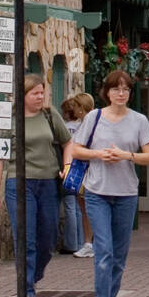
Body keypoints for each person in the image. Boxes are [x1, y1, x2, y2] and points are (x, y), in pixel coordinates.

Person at [69, 70, 149, 297]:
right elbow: (75, 149)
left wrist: (126, 155)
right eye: (116, 89)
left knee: (119, 256)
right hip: (97, 192)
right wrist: (98, 155)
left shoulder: (139, 121)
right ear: (106, 92)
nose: (121, 93)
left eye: (126, 89)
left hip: (127, 194)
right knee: (103, 251)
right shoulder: (94, 117)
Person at [0, 77, 73, 297]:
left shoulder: (49, 115)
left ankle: (31, 277)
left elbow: (68, 142)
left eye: (42, 92)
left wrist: (67, 166)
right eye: (35, 93)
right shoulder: (10, 121)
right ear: (23, 95)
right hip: (19, 182)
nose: (40, 97)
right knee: (26, 238)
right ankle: (27, 291)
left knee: (48, 238)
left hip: (48, 183)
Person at [60, 92, 95, 257]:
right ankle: (88, 242)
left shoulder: (92, 121)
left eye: (77, 107)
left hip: (88, 168)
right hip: (80, 168)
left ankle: (92, 242)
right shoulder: (82, 123)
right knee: (83, 207)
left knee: (88, 207)